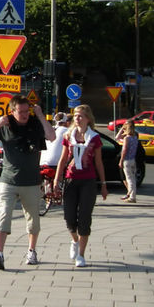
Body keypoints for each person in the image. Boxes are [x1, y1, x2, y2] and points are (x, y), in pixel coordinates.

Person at [0, 95, 55, 270]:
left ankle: (31, 250)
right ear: (12, 111)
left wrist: (39, 116)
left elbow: (51, 136)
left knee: (33, 220)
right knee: (4, 214)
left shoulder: (35, 124)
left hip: (31, 182)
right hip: (8, 181)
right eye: (20, 112)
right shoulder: (5, 127)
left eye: (26, 111)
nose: (24, 115)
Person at [53, 104, 108, 267]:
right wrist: (57, 179)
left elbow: (98, 163)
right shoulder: (68, 136)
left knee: (84, 218)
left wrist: (103, 184)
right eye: (76, 115)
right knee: (69, 218)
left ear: (88, 119)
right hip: (71, 180)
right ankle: (74, 241)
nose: (77, 118)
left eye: (81, 116)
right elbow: (63, 159)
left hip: (88, 181)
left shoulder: (95, 138)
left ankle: (81, 255)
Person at [40, 112, 68, 199]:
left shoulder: (51, 129)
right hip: (56, 161)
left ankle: (47, 192)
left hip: (43, 161)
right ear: (65, 122)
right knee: (60, 173)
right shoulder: (65, 130)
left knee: (47, 176)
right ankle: (57, 193)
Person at [116, 120, 139, 203]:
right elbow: (117, 138)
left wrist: (121, 161)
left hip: (127, 160)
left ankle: (132, 197)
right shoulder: (135, 136)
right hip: (133, 159)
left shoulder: (126, 138)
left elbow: (124, 149)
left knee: (129, 179)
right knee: (132, 178)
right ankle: (131, 195)